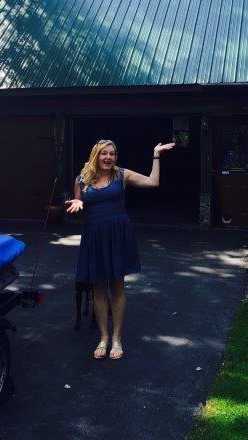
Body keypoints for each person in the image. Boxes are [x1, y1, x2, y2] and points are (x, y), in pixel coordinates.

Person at [66, 139, 175, 360]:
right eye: (104, 153)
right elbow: (78, 201)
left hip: (118, 236)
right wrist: (77, 203)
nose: (108, 157)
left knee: (117, 288)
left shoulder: (121, 175)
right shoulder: (82, 179)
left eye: (112, 154)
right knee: (98, 289)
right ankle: (103, 337)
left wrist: (156, 154)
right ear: (96, 155)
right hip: (95, 237)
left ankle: (116, 338)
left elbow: (153, 182)